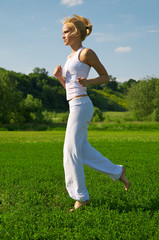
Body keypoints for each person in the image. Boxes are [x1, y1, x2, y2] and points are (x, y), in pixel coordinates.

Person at [54, 15, 130, 212]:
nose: (62, 36)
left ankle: (81, 198)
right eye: (62, 33)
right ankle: (117, 171)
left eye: (66, 32)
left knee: (70, 151)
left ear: (77, 33)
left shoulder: (85, 53)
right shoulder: (70, 57)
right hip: (74, 103)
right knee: (82, 150)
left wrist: (89, 82)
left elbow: (105, 76)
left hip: (82, 105)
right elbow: (69, 89)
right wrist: (60, 78)